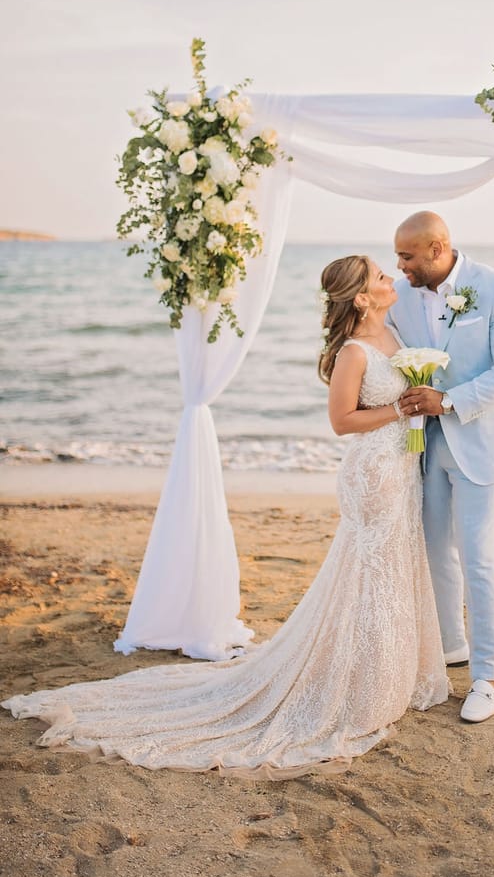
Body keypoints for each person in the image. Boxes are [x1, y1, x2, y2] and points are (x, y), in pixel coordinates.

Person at [2, 255, 448, 778]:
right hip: (373, 474)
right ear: (361, 297)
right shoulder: (354, 353)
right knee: (373, 575)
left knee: (391, 573)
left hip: (400, 468)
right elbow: (341, 421)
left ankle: (384, 676)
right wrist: (401, 411)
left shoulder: (395, 332)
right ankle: (365, 689)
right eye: (379, 276)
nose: (389, 278)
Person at [388, 212, 494, 724]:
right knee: (433, 551)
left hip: (480, 445)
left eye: (407, 256)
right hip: (424, 449)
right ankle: (452, 645)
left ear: (437, 248)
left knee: (477, 557)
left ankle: (487, 676)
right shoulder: (400, 296)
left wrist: (447, 401)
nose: (399, 266)